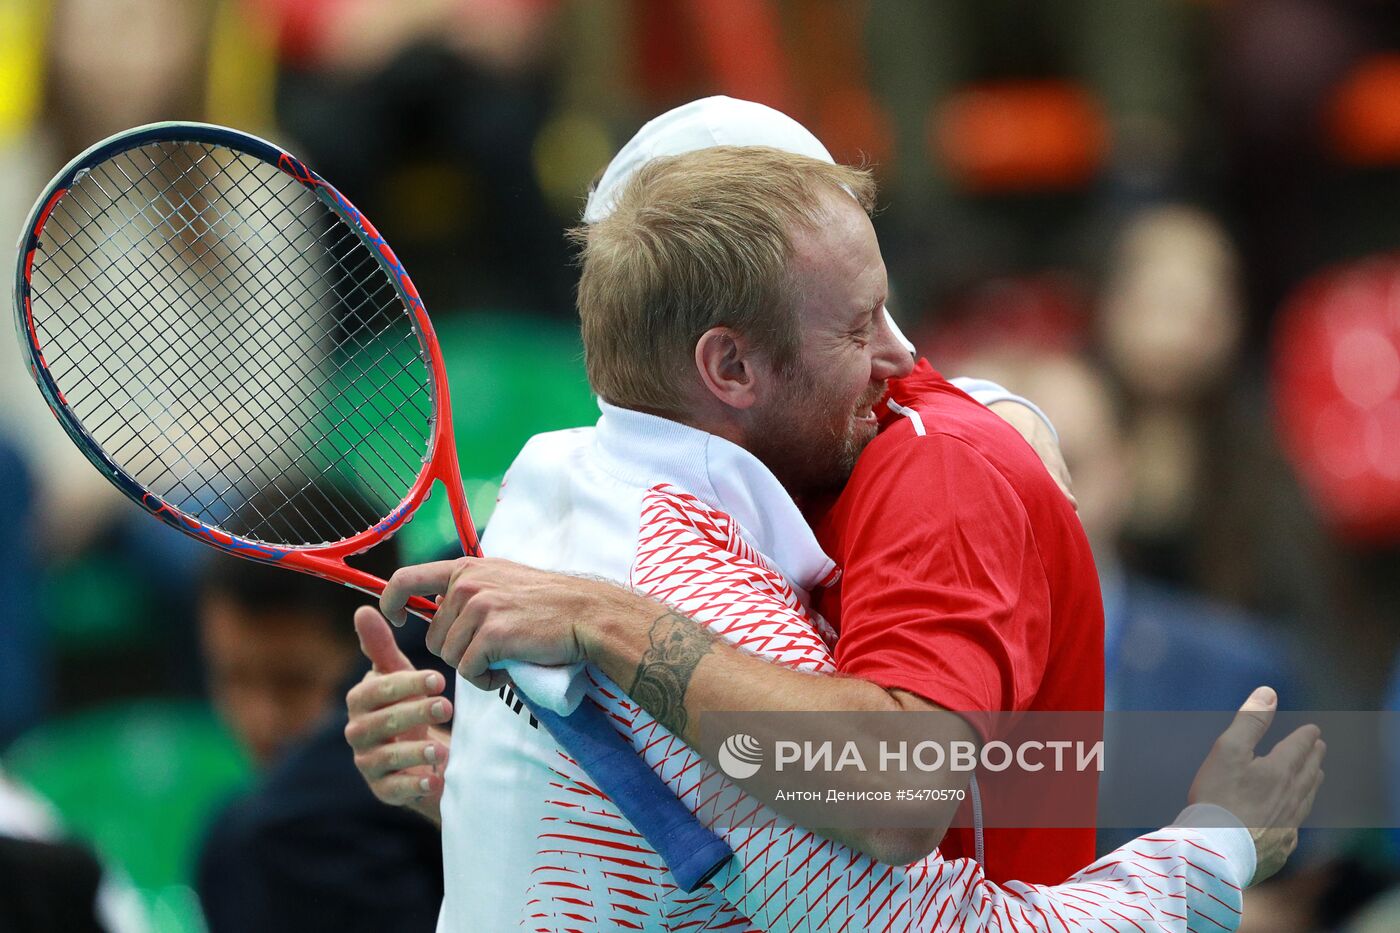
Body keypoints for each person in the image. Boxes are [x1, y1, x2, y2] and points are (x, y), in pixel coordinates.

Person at [352, 102, 1322, 931]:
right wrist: (1218, 843)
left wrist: (495, 791)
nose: (904, 359)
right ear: (727, 366)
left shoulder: (543, 483)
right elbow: (913, 878)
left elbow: (662, 833)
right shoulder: (680, 595)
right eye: (858, 326)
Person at [195, 488, 451, 933]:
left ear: (383, 654)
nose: (261, 718)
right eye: (232, 678)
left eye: (293, 682)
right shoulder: (237, 841)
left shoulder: (268, 839)